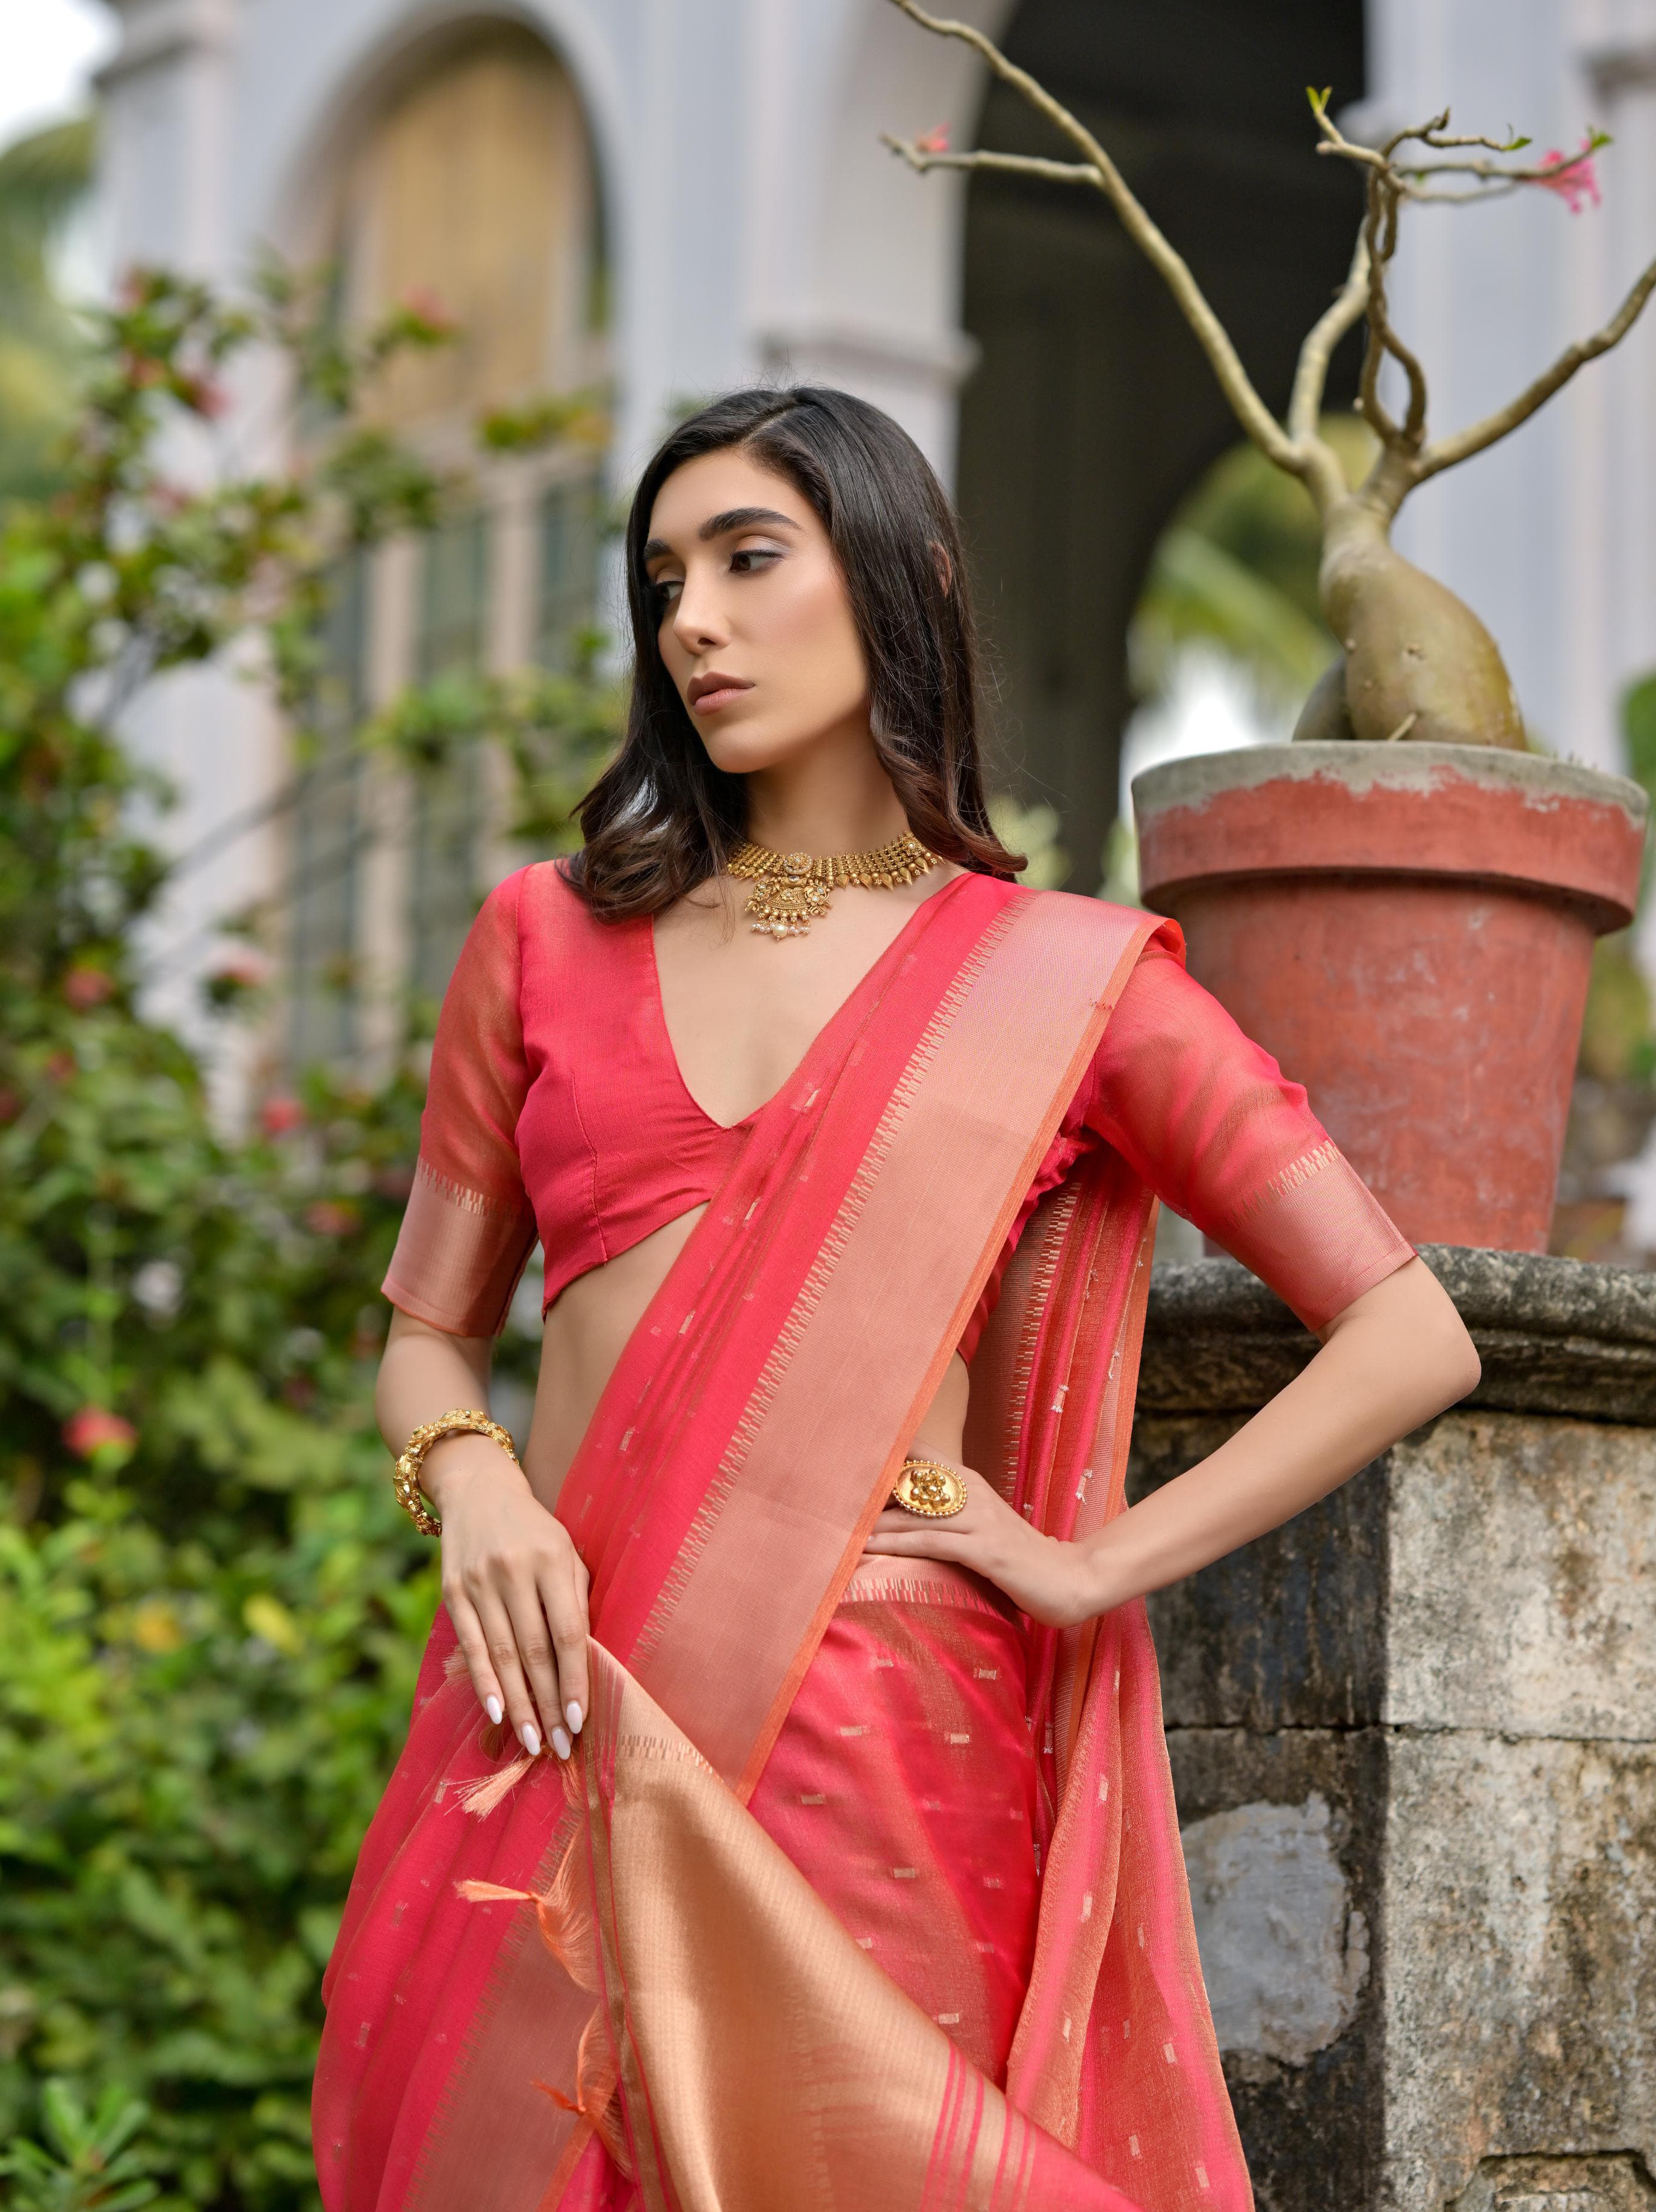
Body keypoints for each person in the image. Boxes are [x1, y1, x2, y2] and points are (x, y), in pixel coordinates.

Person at [313, 387, 1478, 2212]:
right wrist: (468, 1480)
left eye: (748, 559)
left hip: (884, 1721)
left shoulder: (1059, 985)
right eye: (662, 579)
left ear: (896, 576)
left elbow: (1413, 1332)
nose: (690, 616)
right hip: (548, 1703)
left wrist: (1096, 1565)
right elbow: (426, 1330)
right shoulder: (542, 938)